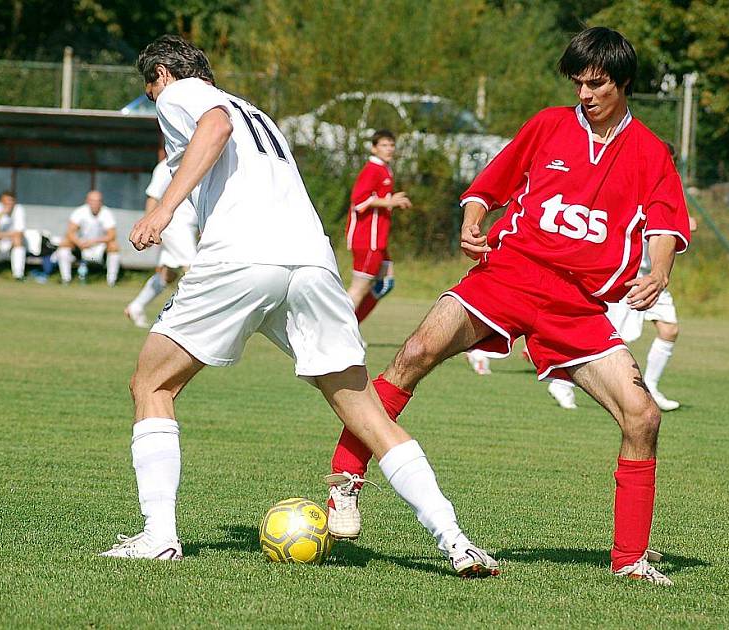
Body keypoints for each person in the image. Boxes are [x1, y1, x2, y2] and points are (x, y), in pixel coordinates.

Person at [99, 35, 498, 578]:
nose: (154, 104)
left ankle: (159, 537)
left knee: (152, 384)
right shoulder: (256, 110)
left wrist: (163, 211)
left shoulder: (181, 94)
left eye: (150, 91)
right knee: (368, 416)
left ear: (163, 73)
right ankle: (458, 542)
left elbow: (211, 128)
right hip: (311, 264)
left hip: (242, 259)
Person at [326, 27, 691, 586]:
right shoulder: (548, 125)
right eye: (578, 84)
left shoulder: (648, 151)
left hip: (576, 304)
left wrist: (659, 269)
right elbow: (487, 188)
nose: (585, 94)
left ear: (623, 84)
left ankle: (631, 560)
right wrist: (473, 223)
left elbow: (665, 222)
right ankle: (345, 481)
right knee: (416, 351)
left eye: (596, 84)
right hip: (510, 273)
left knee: (642, 415)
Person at [548, 217, 698, 412]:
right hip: (629, 276)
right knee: (612, 339)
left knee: (669, 330)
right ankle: (562, 384)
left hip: (653, 278)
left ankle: (651, 387)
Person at [125, 147, 199, 328]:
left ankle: (136, 307)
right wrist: (148, 228)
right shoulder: (166, 166)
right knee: (195, 270)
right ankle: (194, 320)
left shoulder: (198, 161)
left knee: (168, 275)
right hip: (174, 226)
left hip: (188, 227)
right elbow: (153, 196)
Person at [345, 130, 412, 323]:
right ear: (374, 148)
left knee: (385, 284)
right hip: (367, 238)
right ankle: (337, 331)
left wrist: (392, 200)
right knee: (358, 289)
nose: (389, 149)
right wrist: (389, 202)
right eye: (384, 145)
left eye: (391, 145)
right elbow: (359, 201)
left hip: (378, 241)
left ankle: (352, 327)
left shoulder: (385, 169)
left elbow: (378, 199)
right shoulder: (372, 169)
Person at [55, 190, 121, 286]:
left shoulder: (107, 213)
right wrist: (79, 243)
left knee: (114, 246)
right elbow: (70, 232)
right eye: (92, 201)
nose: (95, 204)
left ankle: (111, 281)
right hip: (81, 246)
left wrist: (94, 242)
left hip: (99, 247)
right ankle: (66, 279)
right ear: (87, 201)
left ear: (101, 202)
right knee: (64, 244)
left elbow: (112, 235)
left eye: (98, 201)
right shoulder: (79, 212)